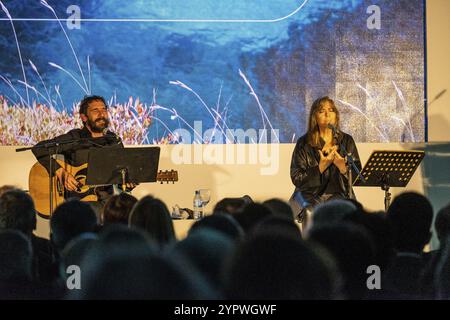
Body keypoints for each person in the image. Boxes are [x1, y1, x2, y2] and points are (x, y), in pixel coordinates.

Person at [31, 95, 135, 216]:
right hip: (77, 202)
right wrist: (60, 172)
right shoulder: (75, 138)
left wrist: (127, 185)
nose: (101, 114)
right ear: (84, 117)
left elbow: (120, 182)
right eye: (96, 110)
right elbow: (39, 149)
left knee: (130, 209)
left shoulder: (114, 141)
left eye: (104, 109)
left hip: (105, 202)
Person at [289, 96, 361, 224]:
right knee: (309, 209)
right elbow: (297, 178)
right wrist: (320, 168)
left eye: (331, 110)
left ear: (336, 116)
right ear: (314, 117)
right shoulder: (303, 143)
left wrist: (342, 167)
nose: (327, 114)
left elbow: (357, 176)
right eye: (322, 111)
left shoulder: (346, 141)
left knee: (342, 210)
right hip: (310, 195)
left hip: (339, 194)